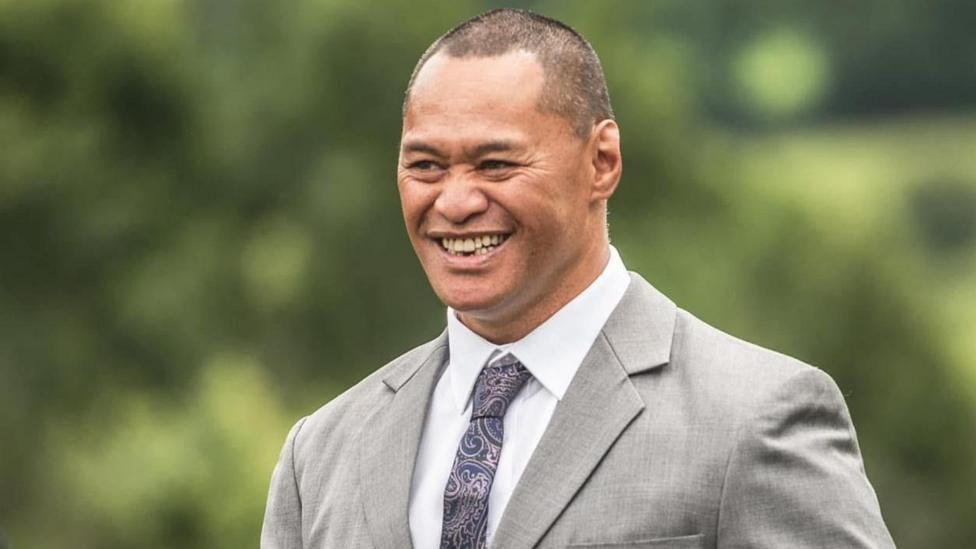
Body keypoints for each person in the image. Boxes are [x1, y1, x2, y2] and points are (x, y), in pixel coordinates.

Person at [262, 8, 894, 548]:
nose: (454, 202)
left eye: (495, 163)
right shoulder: (318, 455)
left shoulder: (755, 419)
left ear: (602, 161)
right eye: (425, 165)